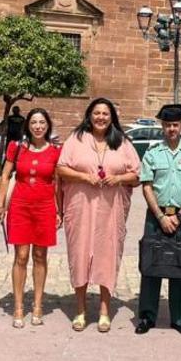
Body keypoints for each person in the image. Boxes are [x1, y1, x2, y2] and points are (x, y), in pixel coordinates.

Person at [56, 98, 140, 333]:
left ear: (112, 117)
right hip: (81, 209)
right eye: (96, 113)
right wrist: (84, 177)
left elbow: (136, 174)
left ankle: (104, 311)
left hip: (110, 211)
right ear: (89, 116)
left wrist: (119, 179)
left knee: (107, 255)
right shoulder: (77, 139)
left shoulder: (122, 142)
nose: (101, 117)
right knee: (79, 255)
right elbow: (61, 168)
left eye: (105, 113)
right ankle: (80, 311)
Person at [135, 104, 181, 337]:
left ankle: (179, 318)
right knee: (151, 264)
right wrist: (160, 216)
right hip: (155, 216)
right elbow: (146, 186)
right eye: (167, 125)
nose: (171, 129)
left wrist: (180, 215)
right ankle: (147, 316)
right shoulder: (153, 153)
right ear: (162, 127)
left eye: (175, 125)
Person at [0, 108, 62, 328]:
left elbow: (58, 184)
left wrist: (59, 211)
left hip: (44, 207)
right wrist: (0, 203)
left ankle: (38, 305)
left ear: (48, 125)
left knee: (40, 256)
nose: (38, 126)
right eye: (34, 122)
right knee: (21, 256)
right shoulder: (17, 148)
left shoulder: (55, 151)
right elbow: (5, 175)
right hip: (20, 206)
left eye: (42, 122)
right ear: (28, 125)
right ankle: (18, 306)